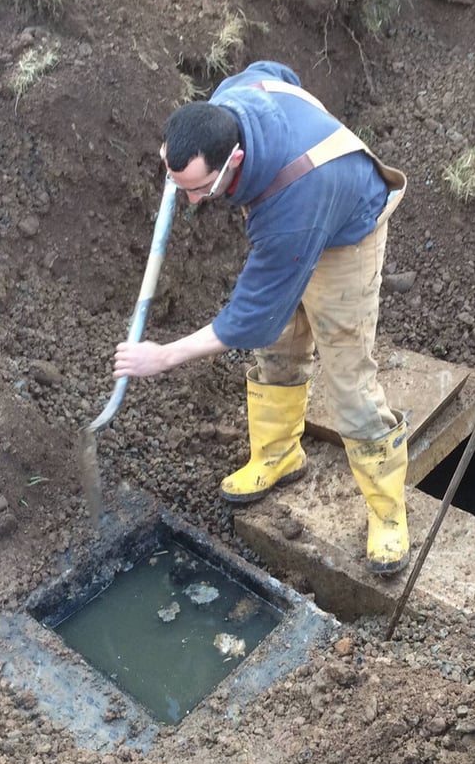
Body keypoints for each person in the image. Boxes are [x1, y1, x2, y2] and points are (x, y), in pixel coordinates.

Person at [112, 60, 410, 574]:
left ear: (236, 160)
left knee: (349, 383)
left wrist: (164, 356)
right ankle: (278, 456)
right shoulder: (233, 96)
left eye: (197, 190)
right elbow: (276, 71)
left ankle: (387, 512)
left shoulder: (289, 211)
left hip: (346, 230)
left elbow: (251, 317)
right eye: (177, 182)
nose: (187, 200)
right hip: (299, 205)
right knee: (280, 352)